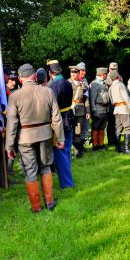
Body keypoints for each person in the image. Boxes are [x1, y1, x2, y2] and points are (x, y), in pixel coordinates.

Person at [6, 64, 65, 213]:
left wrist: (9, 147)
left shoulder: (14, 96)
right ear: (34, 76)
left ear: (20, 78)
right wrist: (60, 138)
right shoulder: (48, 91)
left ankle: (36, 207)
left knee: (30, 172)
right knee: (45, 167)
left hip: (24, 139)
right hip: (45, 135)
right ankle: (49, 202)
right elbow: (57, 118)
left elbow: (12, 123)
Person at [47, 60, 75, 189]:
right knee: (67, 150)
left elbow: (53, 107)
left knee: (60, 151)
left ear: (50, 72)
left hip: (60, 120)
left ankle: (67, 184)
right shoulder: (67, 83)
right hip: (69, 116)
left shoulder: (54, 87)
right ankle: (67, 178)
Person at [108, 69, 130, 154]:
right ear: (117, 76)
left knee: (118, 128)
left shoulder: (110, 87)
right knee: (128, 127)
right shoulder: (120, 85)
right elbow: (126, 98)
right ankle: (126, 149)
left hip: (116, 109)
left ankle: (118, 148)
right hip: (124, 108)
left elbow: (111, 99)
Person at [69, 63, 90, 157]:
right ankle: (68, 152)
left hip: (80, 111)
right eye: (72, 72)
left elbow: (86, 99)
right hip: (69, 111)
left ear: (78, 73)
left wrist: (88, 111)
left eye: (75, 72)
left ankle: (77, 152)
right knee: (69, 132)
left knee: (78, 132)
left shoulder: (83, 84)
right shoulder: (67, 83)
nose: (73, 74)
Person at [89, 67, 110, 151]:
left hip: (104, 109)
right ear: (101, 74)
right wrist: (94, 110)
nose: (106, 75)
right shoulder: (94, 84)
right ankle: (95, 146)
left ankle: (101, 144)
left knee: (102, 127)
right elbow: (92, 99)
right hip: (98, 109)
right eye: (105, 74)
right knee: (96, 127)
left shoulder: (104, 83)